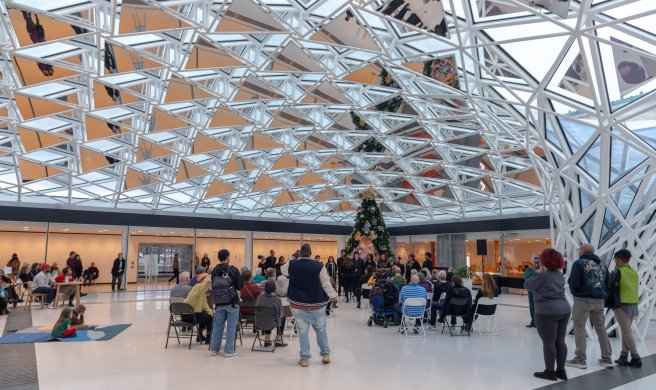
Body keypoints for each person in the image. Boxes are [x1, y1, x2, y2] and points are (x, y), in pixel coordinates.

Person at [281, 243, 337, 367]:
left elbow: (283, 269)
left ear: (300, 253)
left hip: (298, 304)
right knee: (321, 329)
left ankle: (305, 358)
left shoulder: (292, 264)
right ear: (311, 253)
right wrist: (333, 296)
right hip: (317, 303)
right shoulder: (319, 266)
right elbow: (325, 284)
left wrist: (293, 258)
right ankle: (325, 354)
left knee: (302, 331)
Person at [524, 248, 571, 381]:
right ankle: (561, 371)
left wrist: (537, 273)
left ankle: (549, 372)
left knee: (549, 342)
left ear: (544, 261)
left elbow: (527, 284)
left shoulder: (541, 275)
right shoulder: (560, 275)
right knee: (560, 340)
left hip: (547, 311)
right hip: (564, 309)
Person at [566, 244, 612, 369]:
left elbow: (573, 281)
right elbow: (608, 283)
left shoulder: (579, 263)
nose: (578, 252)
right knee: (601, 328)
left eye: (579, 250)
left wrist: (576, 293)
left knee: (579, 328)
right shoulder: (602, 265)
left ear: (582, 251)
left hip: (583, 299)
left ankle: (580, 358)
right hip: (599, 300)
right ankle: (607, 358)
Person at [209, 249, 244, 358]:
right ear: (228, 257)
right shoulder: (233, 269)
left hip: (219, 302)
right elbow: (240, 286)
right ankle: (228, 351)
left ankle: (214, 349)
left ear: (219, 258)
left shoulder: (214, 270)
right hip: (232, 302)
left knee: (218, 326)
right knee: (231, 327)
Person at [610, 249, 641, 368]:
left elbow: (608, 285)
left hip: (621, 305)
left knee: (627, 332)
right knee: (626, 330)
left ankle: (636, 357)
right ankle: (623, 356)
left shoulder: (617, 272)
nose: (614, 261)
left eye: (615, 259)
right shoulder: (633, 272)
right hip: (633, 304)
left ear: (620, 260)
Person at [255, 280, 286, 347]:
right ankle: (278, 340)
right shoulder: (277, 299)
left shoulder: (259, 297)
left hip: (258, 322)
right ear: (274, 288)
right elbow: (280, 313)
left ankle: (267, 340)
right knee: (283, 317)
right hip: (271, 323)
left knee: (267, 316)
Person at [184, 273, 213, 344]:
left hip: (188, 314)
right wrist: (209, 276)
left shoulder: (201, 292)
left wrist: (211, 314)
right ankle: (208, 337)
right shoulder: (198, 286)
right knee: (207, 317)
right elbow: (208, 282)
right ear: (203, 280)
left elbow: (205, 306)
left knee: (207, 315)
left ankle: (199, 336)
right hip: (189, 315)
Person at [523, 257, 540, 328]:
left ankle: (539, 322)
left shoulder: (543, 270)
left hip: (540, 292)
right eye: (535, 261)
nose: (536, 263)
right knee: (532, 307)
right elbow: (525, 277)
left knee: (539, 307)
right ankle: (533, 322)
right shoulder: (529, 269)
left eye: (538, 261)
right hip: (531, 292)